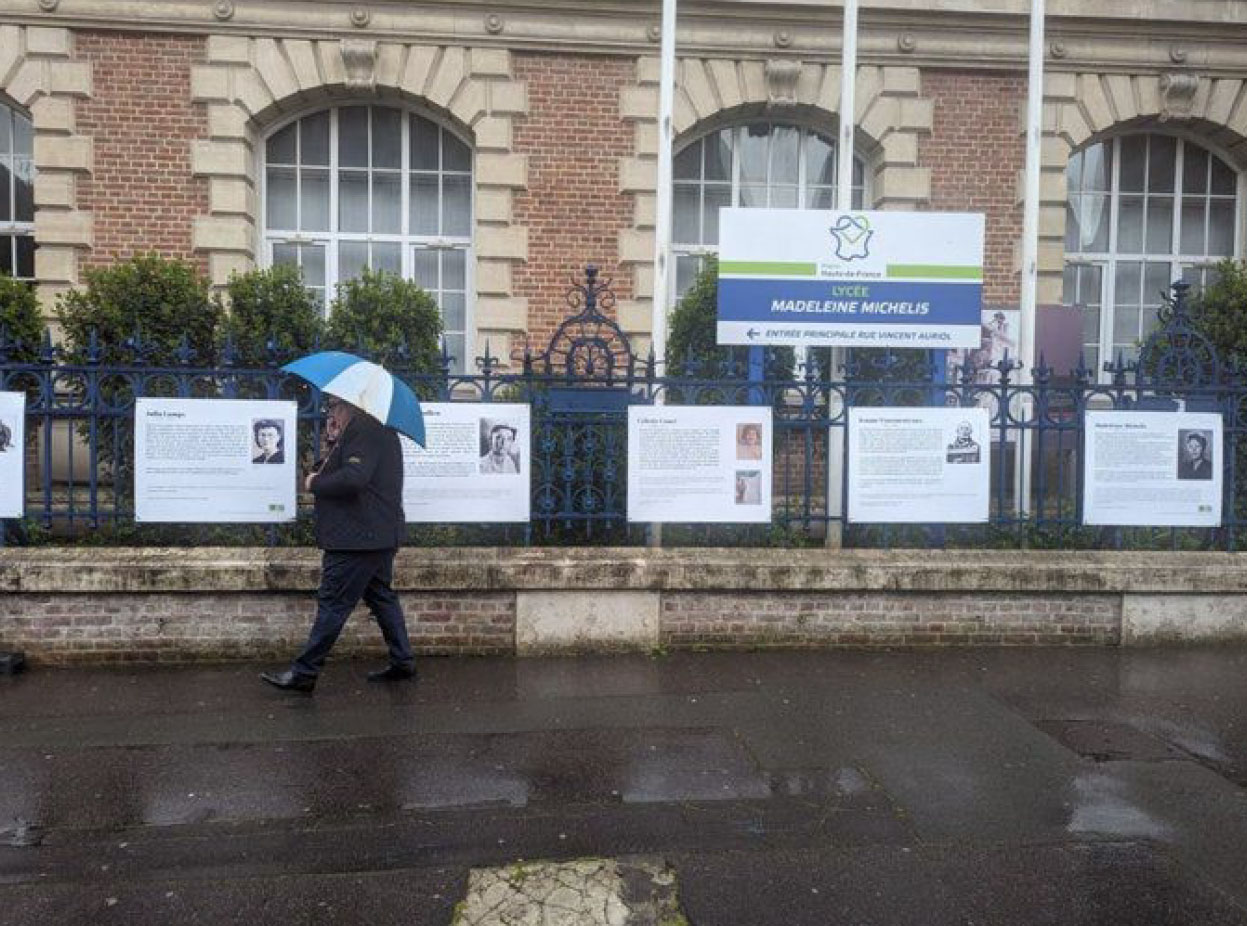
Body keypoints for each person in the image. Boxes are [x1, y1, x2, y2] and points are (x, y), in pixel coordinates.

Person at [261, 396, 415, 692]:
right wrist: (334, 442)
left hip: (358, 539)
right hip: (375, 536)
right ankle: (403, 661)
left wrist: (314, 483)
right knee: (381, 596)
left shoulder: (365, 428)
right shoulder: (370, 430)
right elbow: (352, 471)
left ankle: (304, 672)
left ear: (351, 405)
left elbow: (355, 478)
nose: (331, 413)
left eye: (333, 407)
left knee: (333, 603)